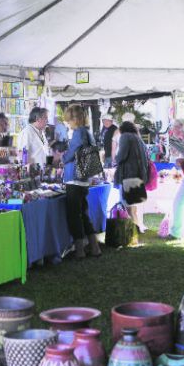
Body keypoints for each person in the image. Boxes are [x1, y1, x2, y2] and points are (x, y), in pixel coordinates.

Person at [62, 104, 101, 259]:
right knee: (83, 214)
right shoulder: (88, 132)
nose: (68, 123)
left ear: (74, 119)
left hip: (75, 178)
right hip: (84, 179)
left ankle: (80, 250)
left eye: (69, 120)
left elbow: (71, 154)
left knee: (74, 215)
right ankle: (94, 246)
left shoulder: (79, 133)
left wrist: (62, 157)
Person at [114, 120, 148, 234]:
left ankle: (135, 229)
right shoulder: (138, 138)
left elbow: (121, 156)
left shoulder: (125, 137)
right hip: (138, 175)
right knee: (133, 204)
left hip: (128, 174)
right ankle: (137, 227)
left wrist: (116, 158)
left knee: (127, 204)